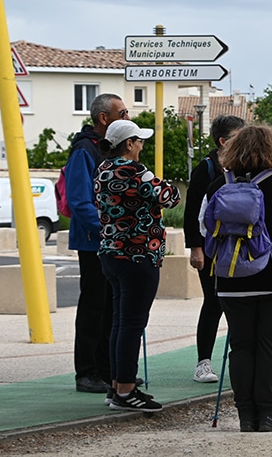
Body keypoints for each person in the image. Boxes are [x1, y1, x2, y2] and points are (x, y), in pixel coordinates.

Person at [201, 125, 272, 432]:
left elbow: (204, 228)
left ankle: (245, 415)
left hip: (231, 276)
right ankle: (267, 414)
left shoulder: (216, 185)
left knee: (241, 344)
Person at [95, 120, 181, 412]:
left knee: (120, 322)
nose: (142, 145)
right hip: (139, 255)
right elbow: (170, 196)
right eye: (139, 140)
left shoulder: (103, 170)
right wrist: (161, 181)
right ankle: (127, 391)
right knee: (132, 324)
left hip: (111, 252)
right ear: (128, 144)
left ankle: (117, 384)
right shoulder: (134, 172)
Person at [65, 93, 130, 394]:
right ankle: (87, 372)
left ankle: (108, 371)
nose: (128, 117)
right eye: (123, 112)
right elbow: (79, 200)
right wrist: (107, 229)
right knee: (93, 306)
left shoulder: (108, 151)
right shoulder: (84, 151)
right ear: (104, 118)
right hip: (94, 242)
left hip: (111, 240)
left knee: (111, 307)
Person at [183, 114, 246, 384]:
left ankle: (240, 359)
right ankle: (203, 363)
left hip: (238, 249)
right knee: (213, 302)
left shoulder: (245, 167)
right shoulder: (205, 169)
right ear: (223, 141)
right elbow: (191, 213)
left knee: (239, 304)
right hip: (210, 249)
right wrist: (195, 248)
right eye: (238, 137)